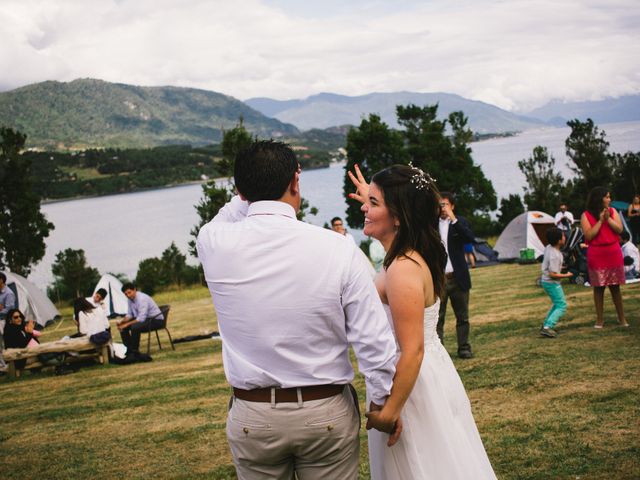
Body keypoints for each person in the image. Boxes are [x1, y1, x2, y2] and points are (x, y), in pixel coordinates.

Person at [196, 141, 397, 479]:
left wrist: (246, 188)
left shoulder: (213, 241)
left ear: (240, 191)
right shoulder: (337, 247)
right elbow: (372, 340)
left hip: (253, 416)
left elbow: (232, 210)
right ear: (295, 181)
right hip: (325, 412)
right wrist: (381, 400)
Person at [348, 163, 496, 479]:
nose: (364, 208)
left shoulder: (402, 268)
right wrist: (374, 199)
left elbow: (412, 349)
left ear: (399, 216)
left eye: (373, 203)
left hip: (411, 383)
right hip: (425, 373)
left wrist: (389, 412)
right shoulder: (410, 256)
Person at [580, 187, 628, 328]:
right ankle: (600, 320)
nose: (609, 199)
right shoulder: (586, 215)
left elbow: (619, 230)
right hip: (596, 253)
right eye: (607, 197)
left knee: (615, 287)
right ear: (599, 198)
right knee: (598, 288)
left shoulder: (612, 212)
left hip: (613, 251)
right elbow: (589, 236)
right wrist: (600, 221)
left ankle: (622, 319)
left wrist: (609, 220)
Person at [436, 192, 476, 359]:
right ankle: (440, 352)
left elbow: (469, 238)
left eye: (445, 204)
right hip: (440, 279)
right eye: (440, 205)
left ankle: (464, 348)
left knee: (463, 317)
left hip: (458, 277)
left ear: (452, 206)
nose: (442, 208)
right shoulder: (431, 225)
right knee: (438, 318)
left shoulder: (459, 222)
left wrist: (454, 219)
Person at [539, 228, 573, 338]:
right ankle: (548, 327)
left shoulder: (549, 248)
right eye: (563, 236)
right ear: (559, 241)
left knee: (557, 303)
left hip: (547, 282)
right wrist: (566, 275)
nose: (565, 237)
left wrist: (561, 267)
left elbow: (551, 266)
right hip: (551, 283)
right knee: (562, 305)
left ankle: (546, 324)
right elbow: (552, 274)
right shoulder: (555, 255)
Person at [116, 283, 164, 357]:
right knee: (123, 328)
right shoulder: (130, 299)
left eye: (129, 292)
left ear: (134, 290)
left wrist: (127, 324)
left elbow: (141, 318)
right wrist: (122, 322)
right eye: (126, 294)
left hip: (156, 320)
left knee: (134, 327)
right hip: (146, 319)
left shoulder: (142, 299)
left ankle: (135, 351)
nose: (128, 295)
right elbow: (130, 314)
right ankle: (129, 350)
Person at [0, 272, 17, 372]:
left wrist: (1, 310)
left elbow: (9, 310)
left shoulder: (8, 293)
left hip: (3, 321)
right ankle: (2, 365)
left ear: (1, 280)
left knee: (4, 344)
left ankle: (6, 365)